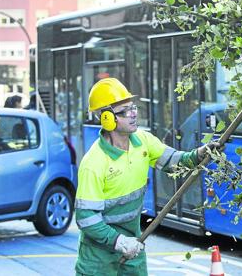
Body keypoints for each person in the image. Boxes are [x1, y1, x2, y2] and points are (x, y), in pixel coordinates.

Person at [74, 78, 222, 275]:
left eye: (133, 107)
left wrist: (199, 154)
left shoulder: (142, 141)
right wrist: (119, 242)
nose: (134, 113)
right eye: (125, 111)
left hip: (134, 246)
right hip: (98, 257)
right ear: (107, 118)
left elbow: (174, 161)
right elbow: (85, 217)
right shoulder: (94, 162)